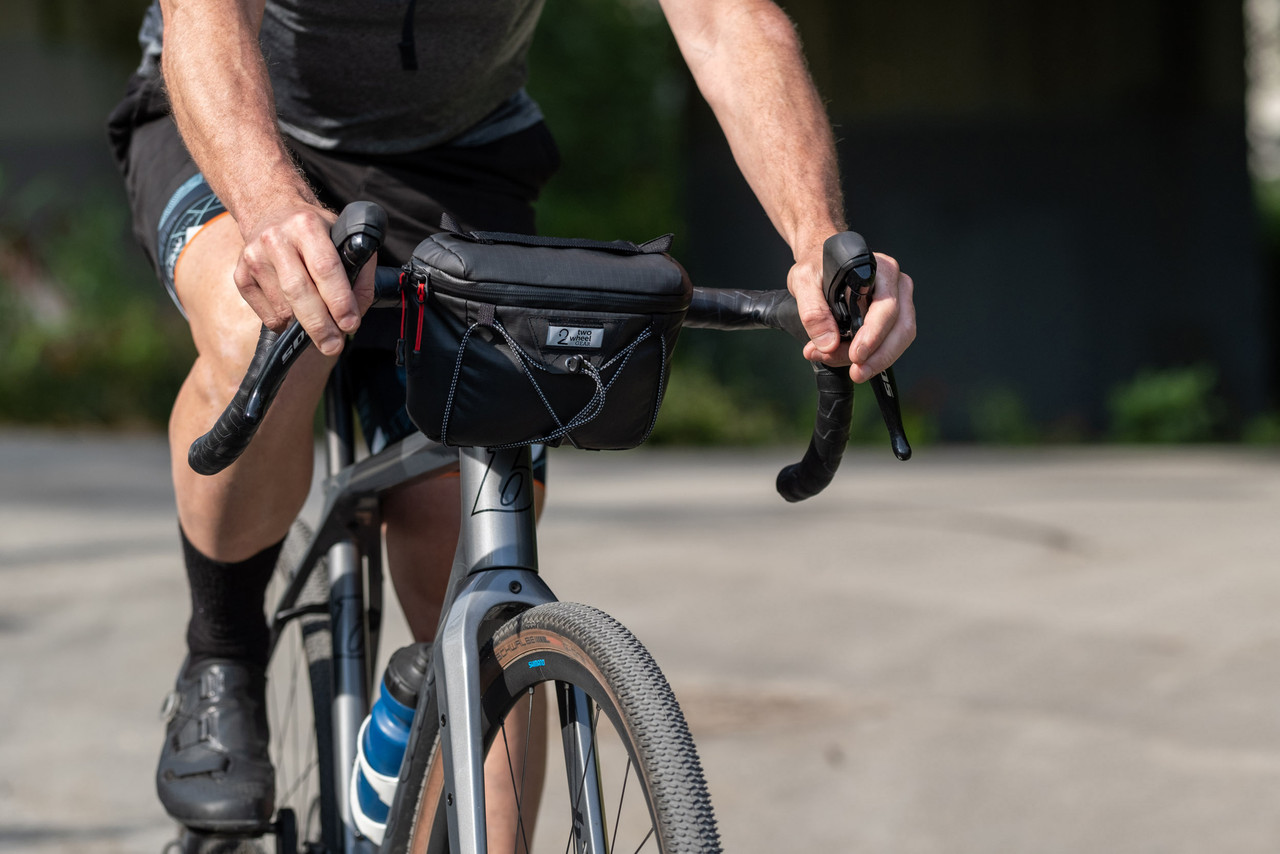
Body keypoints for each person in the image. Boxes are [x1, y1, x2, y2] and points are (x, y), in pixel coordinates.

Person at [108, 0, 917, 842]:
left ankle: (465, 715)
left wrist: (817, 237)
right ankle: (223, 658)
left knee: (452, 518)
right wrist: (272, 206)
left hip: (457, 157)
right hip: (236, 116)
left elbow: (723, 20)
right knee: (265, 334)